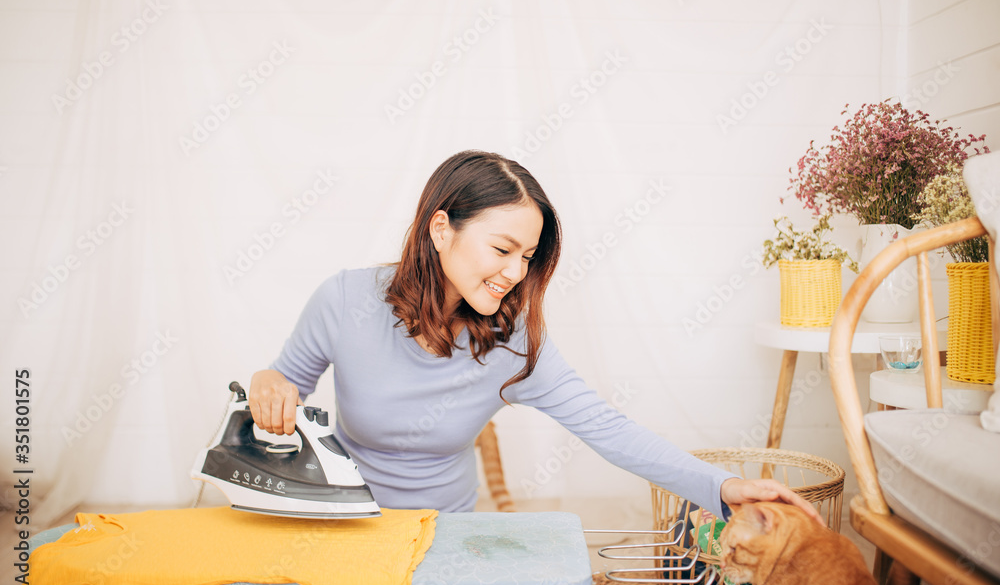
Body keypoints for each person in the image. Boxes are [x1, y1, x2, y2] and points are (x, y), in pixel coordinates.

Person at [249, 149, 822, 525]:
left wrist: (721, 487)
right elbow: (285, 385)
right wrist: (267, 383)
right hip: (343, 520)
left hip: (445, 534)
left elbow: (607, 428)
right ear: (440, 228)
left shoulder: (512, 342)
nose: (516, 273)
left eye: (527, 256)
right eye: (502, 249)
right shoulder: (345, 300)